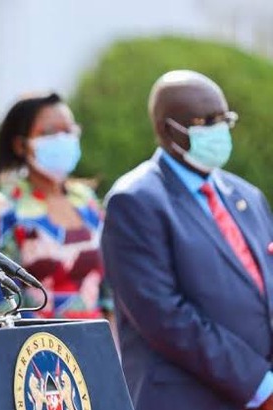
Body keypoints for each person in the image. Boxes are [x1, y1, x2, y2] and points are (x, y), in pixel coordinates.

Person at [102, 70, 273, 410]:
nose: (219, 130)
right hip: (188, 397)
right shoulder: (135, 201)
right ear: (168, 129)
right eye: (206, 121)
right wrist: (259, 385)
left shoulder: (246, 196)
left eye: (224, 119)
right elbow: (164, 317)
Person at [0, 93, 113, 320]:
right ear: (21, 145)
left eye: (68, 131)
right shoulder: (2, 208)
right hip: (36, 339)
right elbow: (2, 300)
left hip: (96, 335)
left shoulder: (85, 200)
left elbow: (110, 288)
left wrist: (111, 334)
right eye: (49, 132)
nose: (62, 139)